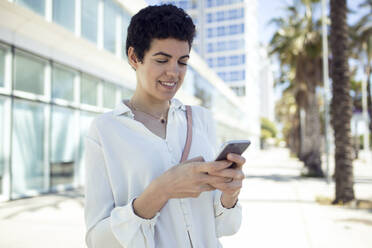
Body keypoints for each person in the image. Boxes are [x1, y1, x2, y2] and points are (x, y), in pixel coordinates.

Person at [84, 4, 246, 248]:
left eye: (182, 62)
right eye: (162, 60)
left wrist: (229, 194)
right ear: (134, 57)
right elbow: (97, 240)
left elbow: (224, 228)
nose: (173, 73)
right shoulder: (105, 131)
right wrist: (162, 190)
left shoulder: (201, 119)